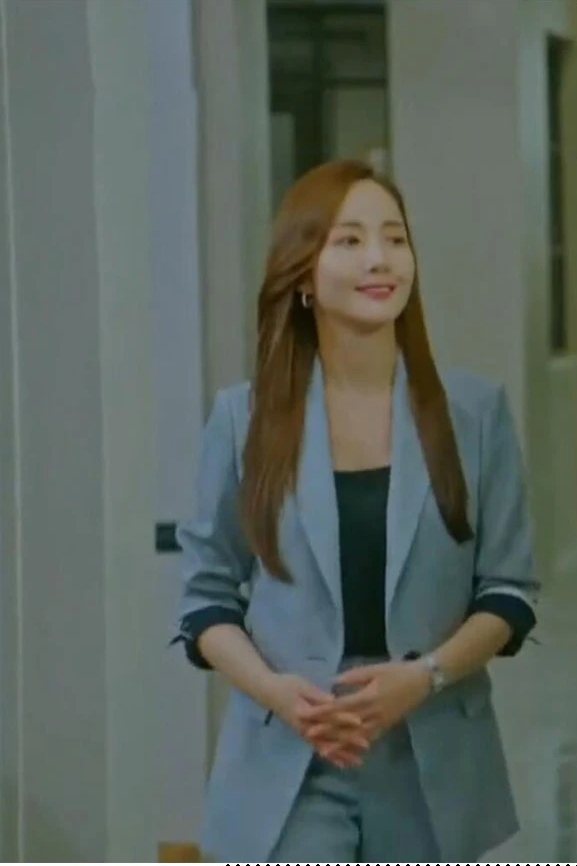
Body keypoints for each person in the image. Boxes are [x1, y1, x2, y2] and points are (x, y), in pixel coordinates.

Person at [172, 159, 539, 861]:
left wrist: (424, 676)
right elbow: (206, 599)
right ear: (303, 277)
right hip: (291, 757)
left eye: (394, 238)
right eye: (349, 240)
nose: (379, 259)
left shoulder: (474, 413)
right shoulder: (243, 419)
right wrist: (277, 693)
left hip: (429, 754)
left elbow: (508, 591)